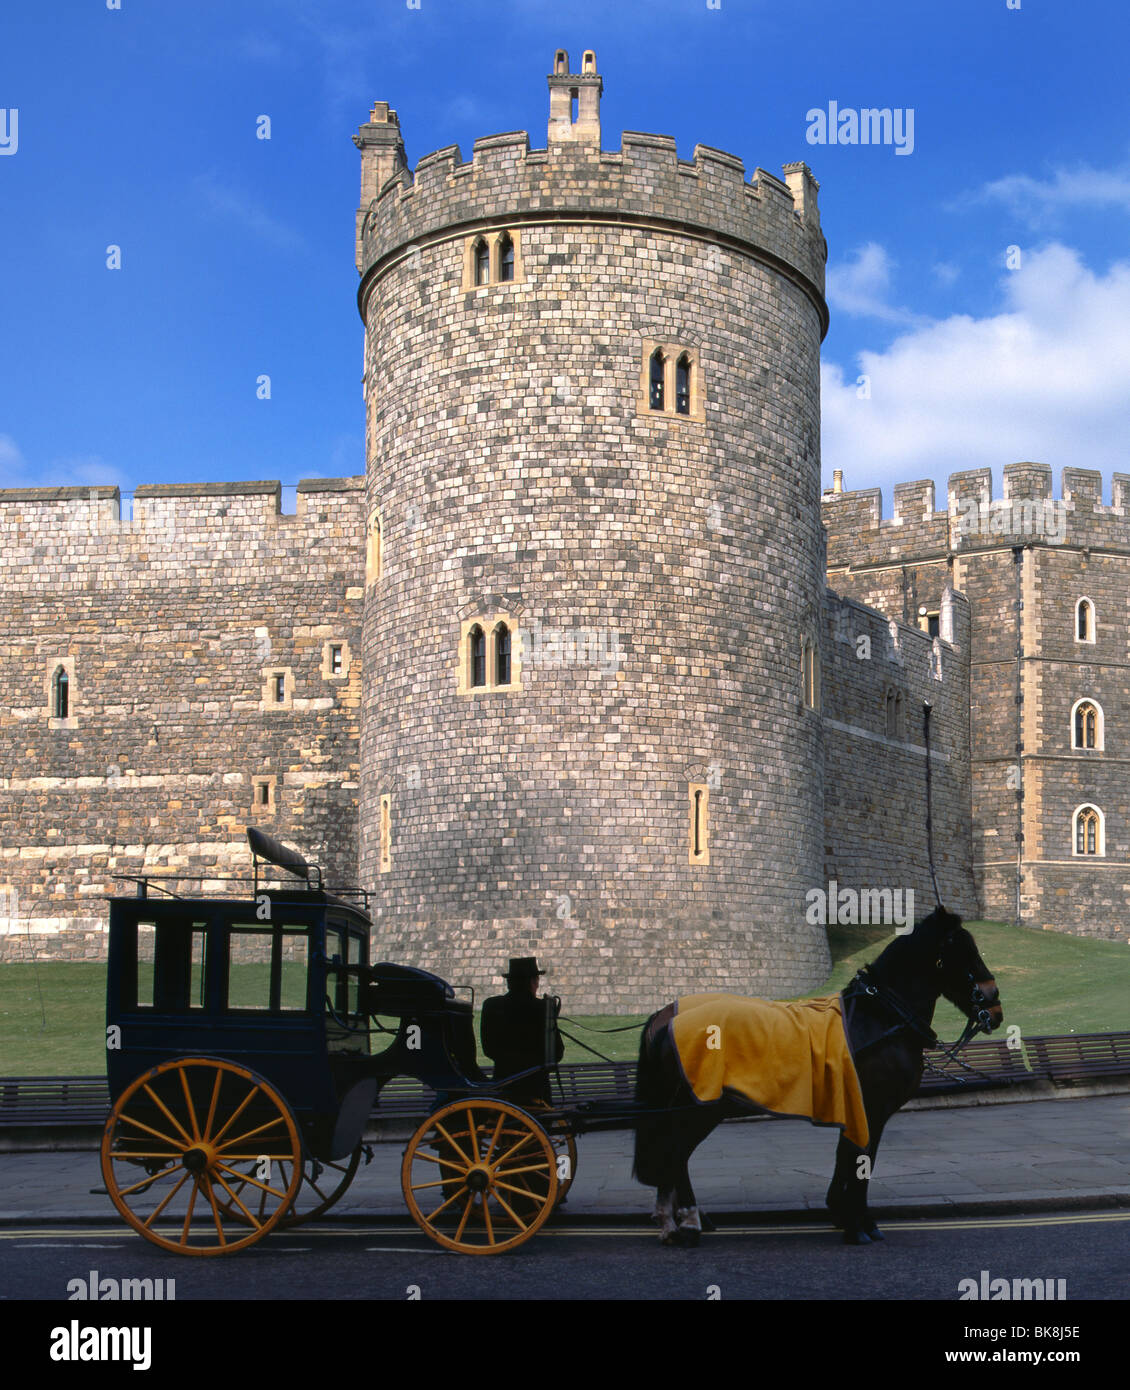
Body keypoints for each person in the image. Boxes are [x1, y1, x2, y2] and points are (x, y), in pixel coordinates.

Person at [480, 957, 564, 1106]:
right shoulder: (542, 1008)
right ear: (533, 982)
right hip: (536, 1086)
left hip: (504, 1081)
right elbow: (556, 1052)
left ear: (509, 983)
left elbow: (489, 1049)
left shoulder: (491, 1006)